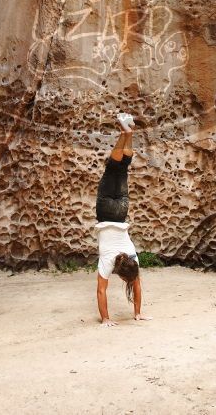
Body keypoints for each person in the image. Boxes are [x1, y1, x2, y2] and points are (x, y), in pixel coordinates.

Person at [94, 112, 152, 327]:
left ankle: (128, 132)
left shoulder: (132, 258)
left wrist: (137, 312)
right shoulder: (110, 262)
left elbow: (136, 284)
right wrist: (105, 319)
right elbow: (101, 291)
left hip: (121, 211)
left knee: (122, 168)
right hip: (105, 211)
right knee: (112, 168)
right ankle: (124, 131)